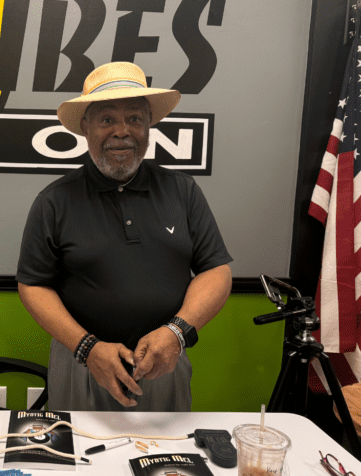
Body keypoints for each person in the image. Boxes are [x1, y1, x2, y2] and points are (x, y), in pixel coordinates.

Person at [17, 62, 233, 413]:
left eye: (134, 118)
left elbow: (216, 271)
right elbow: (33, 285)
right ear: (85, 127)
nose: (122, 131)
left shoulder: (183, 191)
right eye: (106, 120)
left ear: (149, 126)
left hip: (165, 363)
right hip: (82, 365)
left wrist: (177, 332)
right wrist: (87, 348)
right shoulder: (54, 201)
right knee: (80, 463)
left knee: (169, 463)